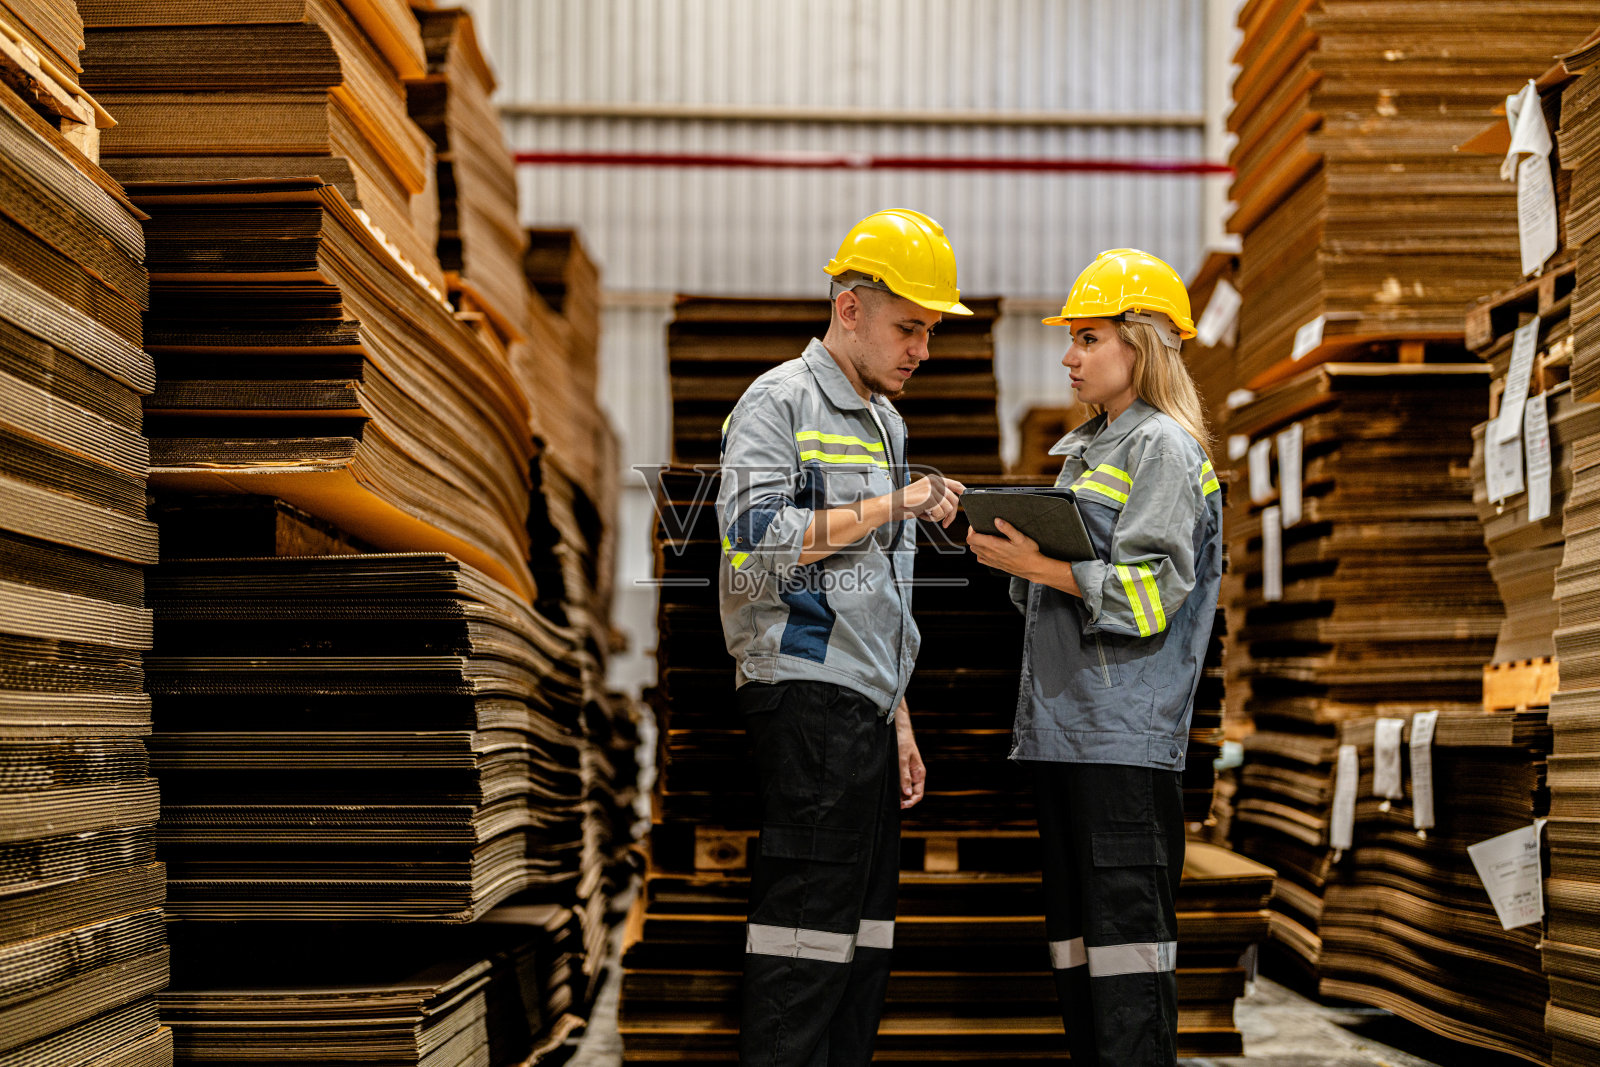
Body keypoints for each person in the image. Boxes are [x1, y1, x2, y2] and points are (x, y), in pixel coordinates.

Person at [716, 208, 969, 1066]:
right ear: (850, 308)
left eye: (930, 332)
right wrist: (892, 504)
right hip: (803, 690)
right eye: (910, 328)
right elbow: (751, 546)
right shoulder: (778, 400)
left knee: (861, 943)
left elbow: (883, 595)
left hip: (861, 706)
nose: (922, 352)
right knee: (804, 942)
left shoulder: (886, 423)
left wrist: (896, 713)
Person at [966, 248, 1223, 1066]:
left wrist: (1037, 565)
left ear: (1139, 344)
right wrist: (1016, 556)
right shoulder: (1088, 452)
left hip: (1123, 737)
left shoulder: (1165, 452)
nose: (1069, 356)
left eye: (1086, 338)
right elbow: (1059, 600)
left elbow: (1152, 595)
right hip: (1064, 729)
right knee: (1078, 943)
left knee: (1127, 948)